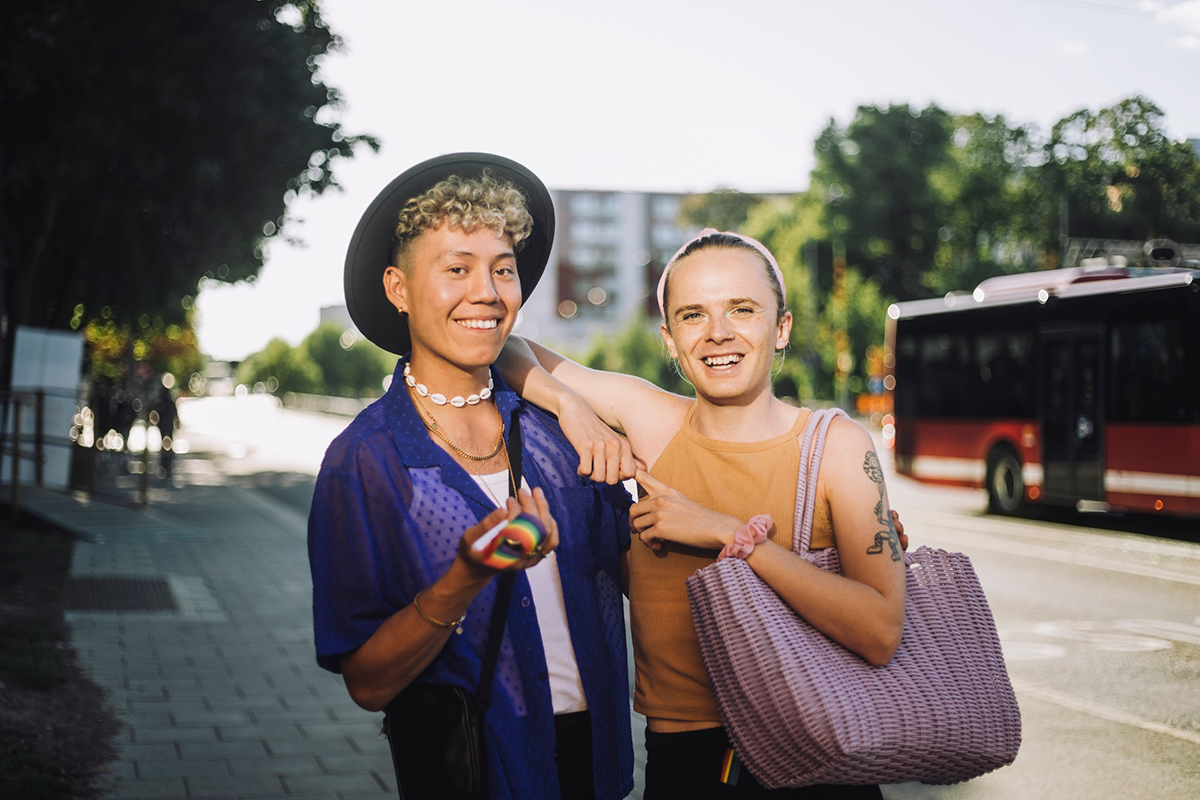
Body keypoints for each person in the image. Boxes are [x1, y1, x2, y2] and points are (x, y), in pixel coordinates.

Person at [497, 229, 907, 799]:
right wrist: (573, 407)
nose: (719, 333)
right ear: (669, 338)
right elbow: (505, 343)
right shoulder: (652, 421)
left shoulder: (835, 446)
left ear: (781, 326)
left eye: (742, 309)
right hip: (684, 768)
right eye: (693, 315)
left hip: (817, 759)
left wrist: (726, 534)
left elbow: (880, 631)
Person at [307, 153, 634, 800]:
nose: (486, 291)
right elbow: (369, 684)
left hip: (596, 770)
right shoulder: (364, 462)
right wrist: (468, 574)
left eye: (503, 270)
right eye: (456, 268)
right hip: (474, 769)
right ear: (399, 289)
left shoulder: (564, 432)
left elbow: (640, 577)